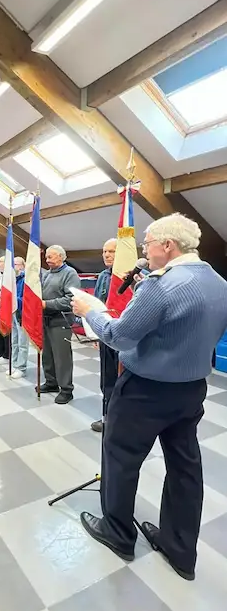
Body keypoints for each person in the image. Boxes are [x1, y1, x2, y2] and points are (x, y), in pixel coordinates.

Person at [72, 213, 227, 581]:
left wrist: (90, 312)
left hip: (146, 392)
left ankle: (118, 533)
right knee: (185, 467)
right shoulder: (219, 282)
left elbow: (121, 335)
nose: (143, 249)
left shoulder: (161, 286)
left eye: (148, 243)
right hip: (191, 390)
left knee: (121, 458)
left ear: (168, 246)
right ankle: (179, 548)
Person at [40, 245, 80, 404]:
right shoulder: (47, 274)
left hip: (61, 321)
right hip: (45, 320)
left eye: (51, 257)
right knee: (47, 354)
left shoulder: (70, 274)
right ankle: (51, 382)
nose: (47, 260)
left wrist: (46, 304)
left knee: (62, 357)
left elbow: (71, 299)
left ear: (61, 257)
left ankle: (66, 390)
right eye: (47, 257)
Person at [91, 238, 118, 433]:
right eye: (104, 251)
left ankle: (121, 419)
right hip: (105, 334)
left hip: (124, 338)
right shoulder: (102, 276)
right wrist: (96, 332)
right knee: (107, 379)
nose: (107, 255)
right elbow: (97, 304)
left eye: (112, 251)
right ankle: (108, 416)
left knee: (122, 381)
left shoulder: (134, 276)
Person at [10, 256, 29, 378]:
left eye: (16, 264)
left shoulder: (25, 280)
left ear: (22, 266)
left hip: (22, 313)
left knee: (22, 342)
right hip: (13, 312)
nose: (14, 266)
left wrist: (13, 299)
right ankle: (14, 364)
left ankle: (21, 367)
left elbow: (26, 299)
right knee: (14, 340)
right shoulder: (13, 279)